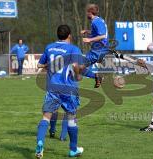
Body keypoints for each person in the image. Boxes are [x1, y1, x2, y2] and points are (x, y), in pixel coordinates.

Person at [35, 25, 84, 158]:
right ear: (69, 35)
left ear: (57, 35)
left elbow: (39, 65)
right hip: (68, 88)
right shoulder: (73, 48)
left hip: (53, 88)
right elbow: (76, 66)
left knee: (46, 117)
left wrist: (48, 66)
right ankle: (73, 150)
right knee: (71, 119)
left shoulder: (49, 47)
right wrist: (78, 75)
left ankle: (40, 143)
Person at [81, 3, 109, 88]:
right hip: (98, 49)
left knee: (78, 67)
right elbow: (96, 33)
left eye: (87, 12)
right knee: (79, 67)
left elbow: (103, 35)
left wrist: (89, 39)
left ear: (90, 12)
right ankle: (98, 77)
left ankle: (98, 77)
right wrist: (87, 31)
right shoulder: (98, 20)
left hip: (99, 49)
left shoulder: (96, 22)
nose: (86, 14)